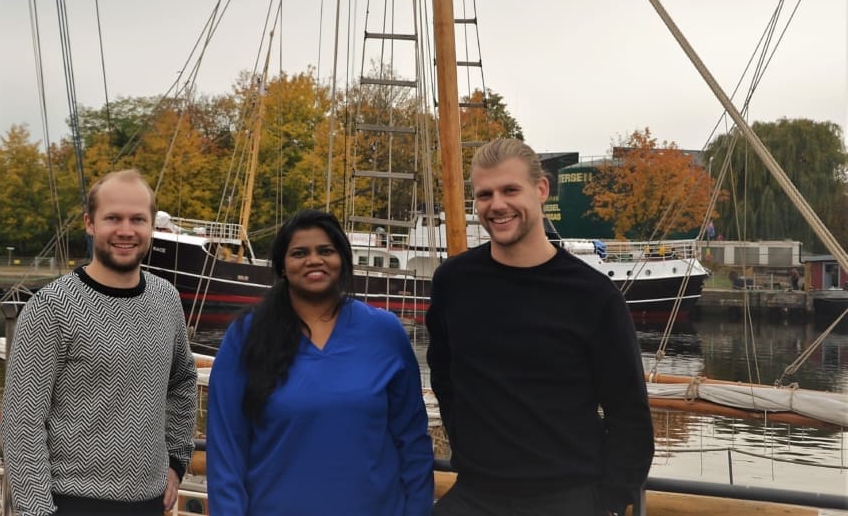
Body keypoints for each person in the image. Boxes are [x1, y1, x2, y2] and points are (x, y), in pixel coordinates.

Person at [426, 139, 654, 516]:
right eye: (485, 194)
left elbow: (629, 412)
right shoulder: (453, 281)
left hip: (567, 498)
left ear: (542, 189)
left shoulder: (593, 296)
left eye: (510, 190)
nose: (497, 205)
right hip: (475, 494)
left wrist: (609, 501)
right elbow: (445, 378)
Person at [207, 209, 433, 516]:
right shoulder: (246, 336)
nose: (314, 260)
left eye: (326, 250)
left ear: (342, 259)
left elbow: (413, 440)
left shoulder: (385, 332)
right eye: (300, 252)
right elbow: (226, 448)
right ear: (283, 266)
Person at [0, 169, 198, 516]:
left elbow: (181, 382)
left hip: (149, 503)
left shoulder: (166, 299)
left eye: (138, 218)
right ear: (90, 224)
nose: (126, 230)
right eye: (113, 218)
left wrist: (177, 461)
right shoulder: (51, 307)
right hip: (70, 503)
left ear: (152, 225)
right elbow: (22, 421)